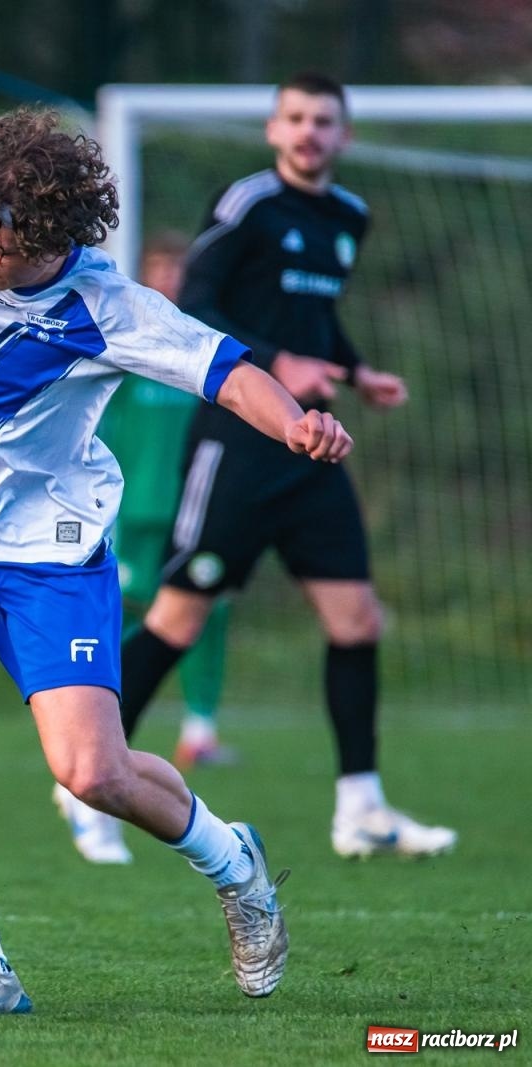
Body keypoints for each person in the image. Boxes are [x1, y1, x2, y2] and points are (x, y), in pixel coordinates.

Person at [0, 107, 353, 1017]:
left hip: (51, 554)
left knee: (92, 772)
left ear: (54, 239)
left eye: (2, 241)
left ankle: (233, 861)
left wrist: (299, 421)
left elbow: (226, 371)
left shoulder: (109, 307)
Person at [70, 73, 456, 863]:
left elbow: (314, 319)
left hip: (312, 449)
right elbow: (196, 308)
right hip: (240, 443)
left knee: (357, 620)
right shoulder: (247, 205)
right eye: (296, 118)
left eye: (324, 121)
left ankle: (362, 807)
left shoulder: (350, 217)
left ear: (343, 135)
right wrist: (281, 362)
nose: (310, 132)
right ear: (275, 130)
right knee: (180, 617)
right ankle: (89, 778)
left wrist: (355, 370)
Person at [55, 234, 237, 864]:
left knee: (202, 616)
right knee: (125, 615)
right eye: (158, 270)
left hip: (191, 510)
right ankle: (87, 743)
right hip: (132, 513)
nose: (169, 281)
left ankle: (199, 726)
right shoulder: (125, 346)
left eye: (176, 271)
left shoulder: (196, 347)